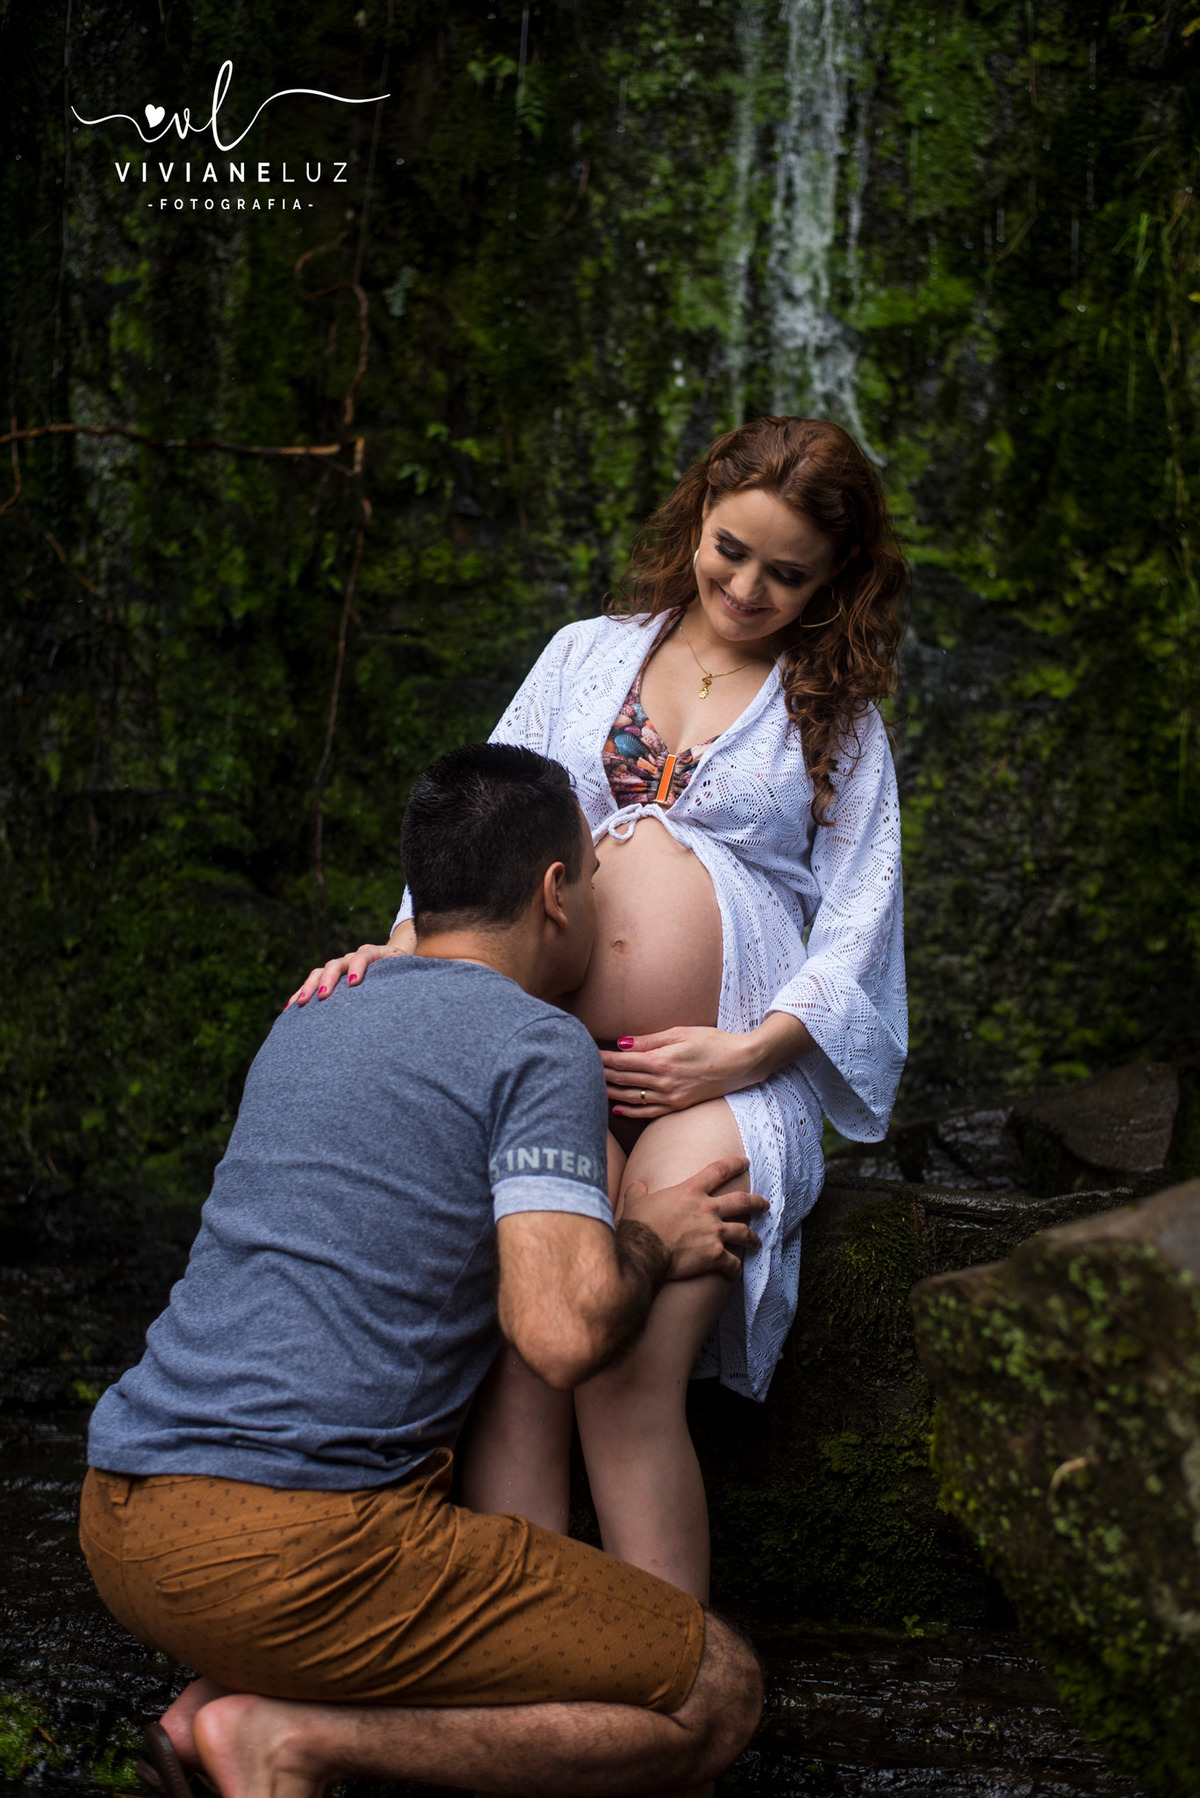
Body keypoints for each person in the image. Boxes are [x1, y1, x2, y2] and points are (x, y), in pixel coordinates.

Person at [298, 413, 909, 1602]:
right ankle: (526, 1682)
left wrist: (743, 1054)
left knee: (624, 1379)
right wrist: (394, 951)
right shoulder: (585, 654)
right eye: (731, 550)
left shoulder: (836, 717)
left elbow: (860, 922)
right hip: (547, 1062)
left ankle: (666, 1700)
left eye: (788, 574)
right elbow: (488, 829)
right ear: (697, 518)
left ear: (837, 578)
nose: (748, 587)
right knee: (529, 1355)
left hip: (719, 1076)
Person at [79, 744, 766, 1798]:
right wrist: (652, 1236)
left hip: (125, 1519)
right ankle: (288, 1742)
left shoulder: (311, 1012)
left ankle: (210, 1706)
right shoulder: (537, 1046)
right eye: (591, 877)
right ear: (554, 893)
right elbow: (560, 1331)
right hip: (296, 1552)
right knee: (716, 1688)